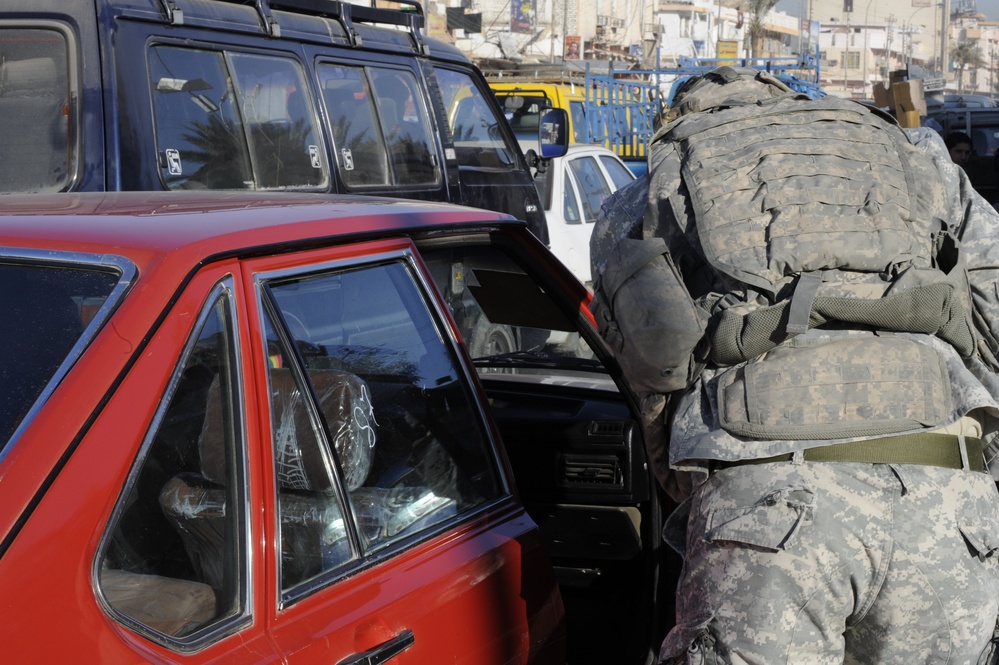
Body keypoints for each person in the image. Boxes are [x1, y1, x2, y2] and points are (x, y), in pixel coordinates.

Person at [590, 67, 999, 663]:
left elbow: (656, 350)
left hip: (770, 506)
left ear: (680, 116)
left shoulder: (654, 184)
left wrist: (676, 474)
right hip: (948, 497)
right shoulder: (914, 157)